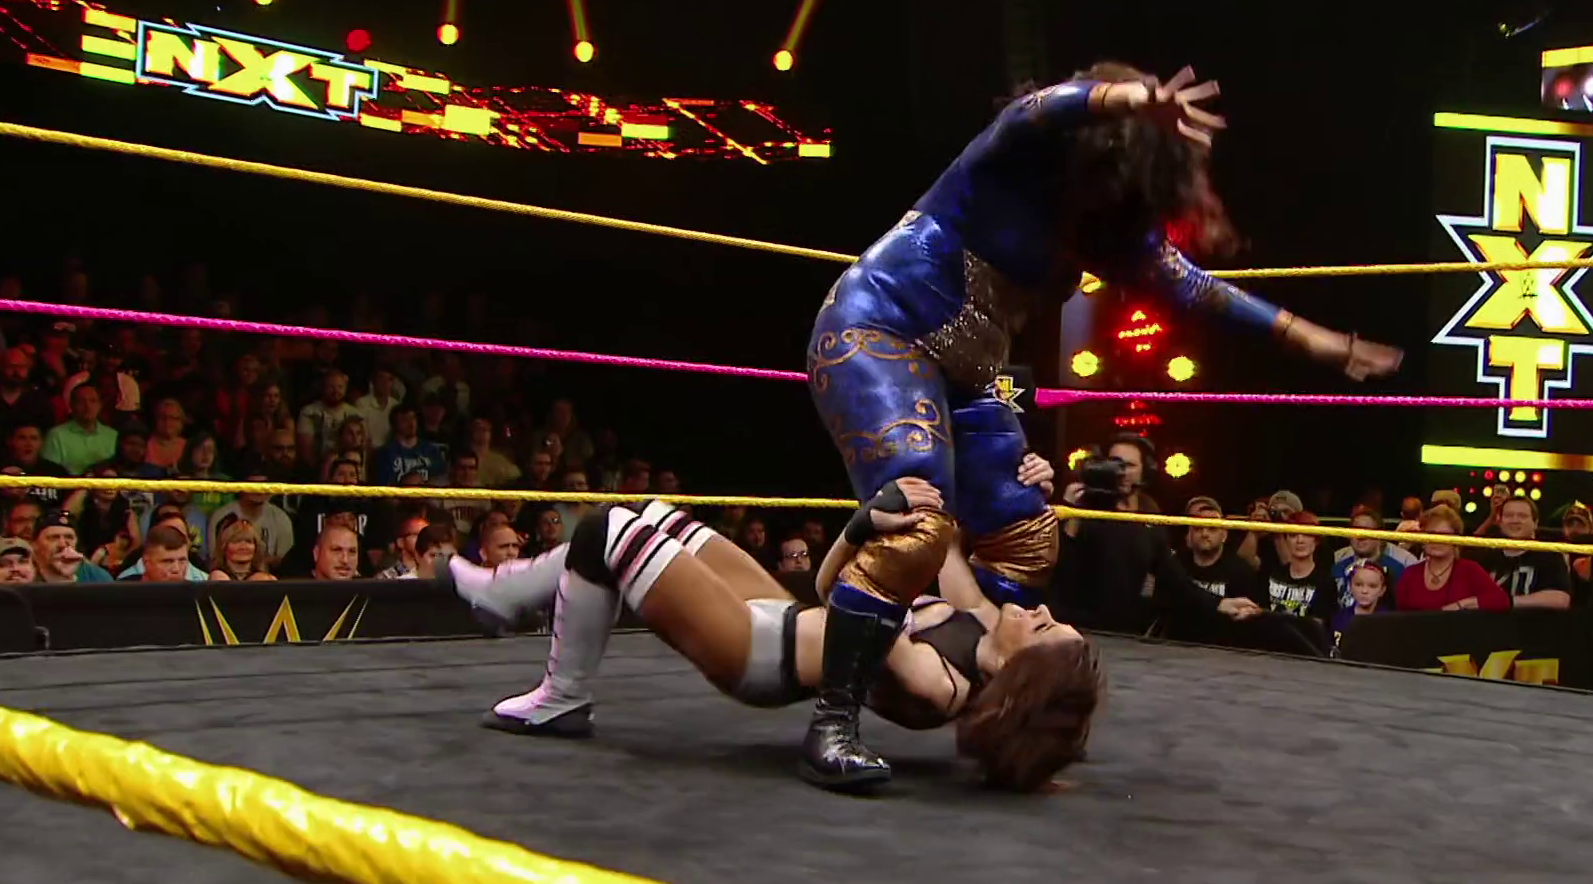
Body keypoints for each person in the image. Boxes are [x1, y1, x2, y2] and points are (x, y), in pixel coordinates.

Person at [802, 63, 1402, 789]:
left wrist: (1316, 341)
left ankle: (992, 684)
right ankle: (833, 720)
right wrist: (1128, 98)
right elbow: (1032, 110)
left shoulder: (1103, 229)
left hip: (964, 376)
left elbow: (1196, 290)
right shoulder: (1010, 160)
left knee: (1029, 534)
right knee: (918, 518)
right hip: (878, 332)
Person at [442, 472, 1102, 794]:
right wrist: (1017, 479)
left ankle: (561, 695)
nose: (1040, 611)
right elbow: (946, 517)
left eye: (1045, 629)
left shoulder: (941, 685)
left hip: (756, 653)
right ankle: (505, 594)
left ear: (1019, 674)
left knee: (609, 531)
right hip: (780, 611)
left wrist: (866, 529)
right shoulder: (976, 613)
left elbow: (849, 603)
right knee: (654, 514)